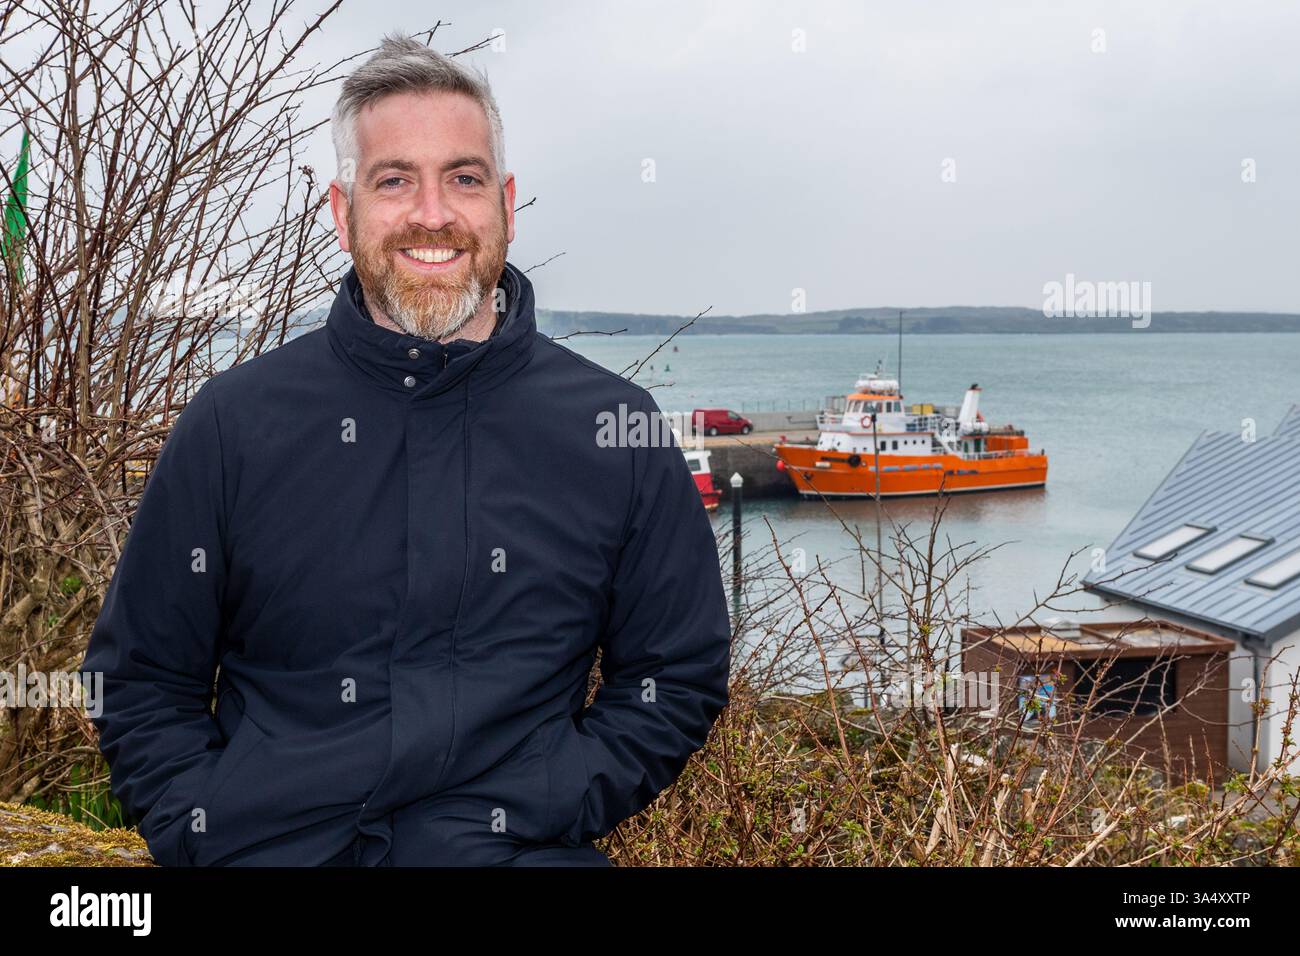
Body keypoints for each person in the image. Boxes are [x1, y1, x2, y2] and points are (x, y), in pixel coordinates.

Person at [79, 33, 732, 867]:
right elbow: (140, 679)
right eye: (395, 180)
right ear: (342, 210)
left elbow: (674, 675)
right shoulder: (233, 422)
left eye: (463, 178)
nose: (433, 213)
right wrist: (202, 826)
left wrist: (550, 801)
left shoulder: (618, 429)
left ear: (506, 201)